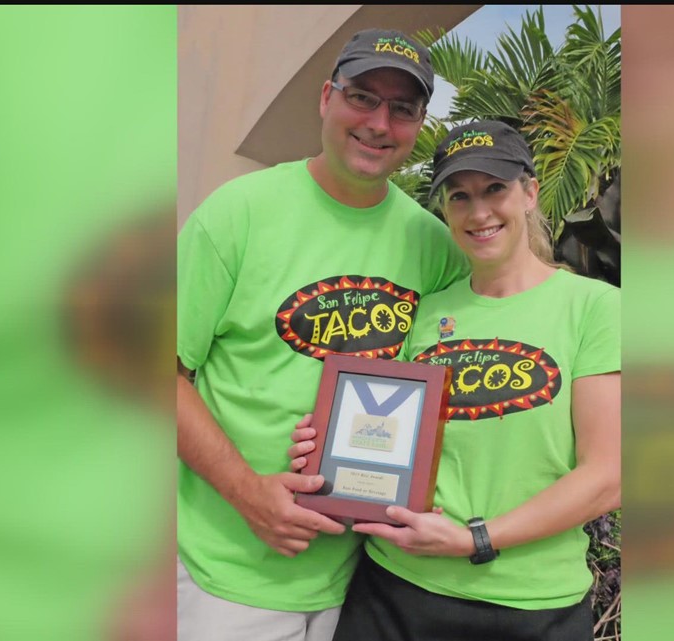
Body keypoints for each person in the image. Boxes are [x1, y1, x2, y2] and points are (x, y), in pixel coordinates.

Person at [176, 29, 470, 641]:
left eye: (403, 109)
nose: (379, 123)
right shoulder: (238, 214)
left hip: (364, 582)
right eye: (362, 97)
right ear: (325, 98)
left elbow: (450, 388)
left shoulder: (435, 247)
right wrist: (249, 493)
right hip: (227, 579)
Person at [290, 120, 622, 640]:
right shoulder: (424, 313)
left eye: (495, 189)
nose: (479, 211)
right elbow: (380, 425)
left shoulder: (595, 308)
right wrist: (325, 444)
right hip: (393, 591)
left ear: (530, 192)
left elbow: (607, 475)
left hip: (529, 608)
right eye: (459, 196)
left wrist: (477, 539)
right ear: (444, 208)